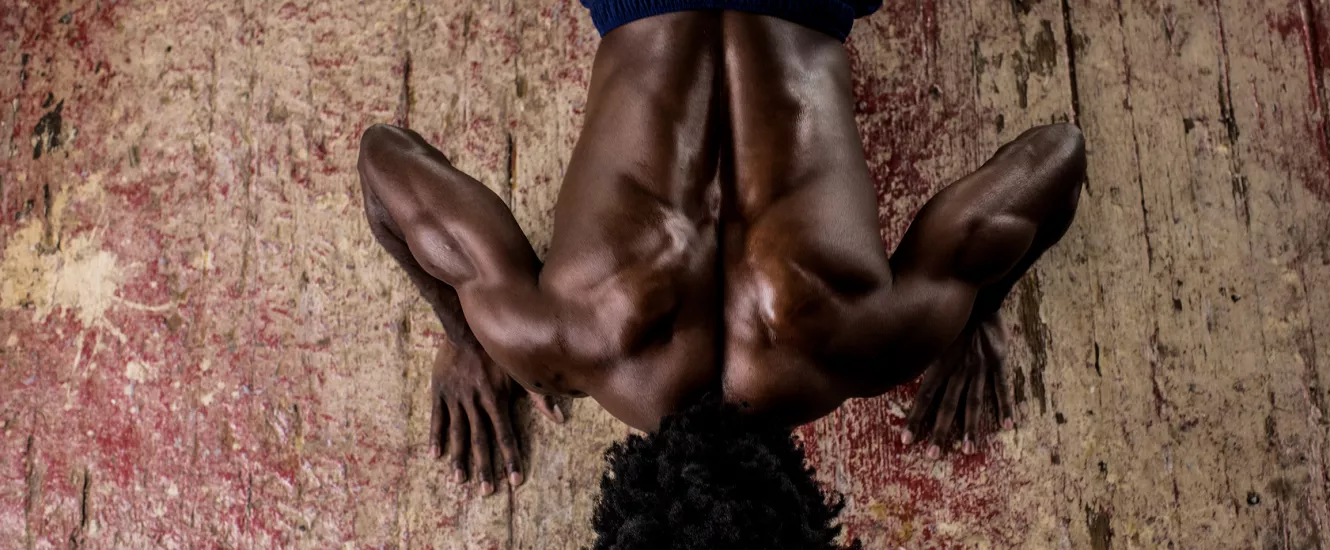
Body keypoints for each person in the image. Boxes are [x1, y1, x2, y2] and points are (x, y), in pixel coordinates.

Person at [357, 1, 1083, 546]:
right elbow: (384, 160)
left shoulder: (871, 340)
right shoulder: (559, 341)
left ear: (803, 507)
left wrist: (978, 314)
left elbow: (1058, 156)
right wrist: (470, 336)